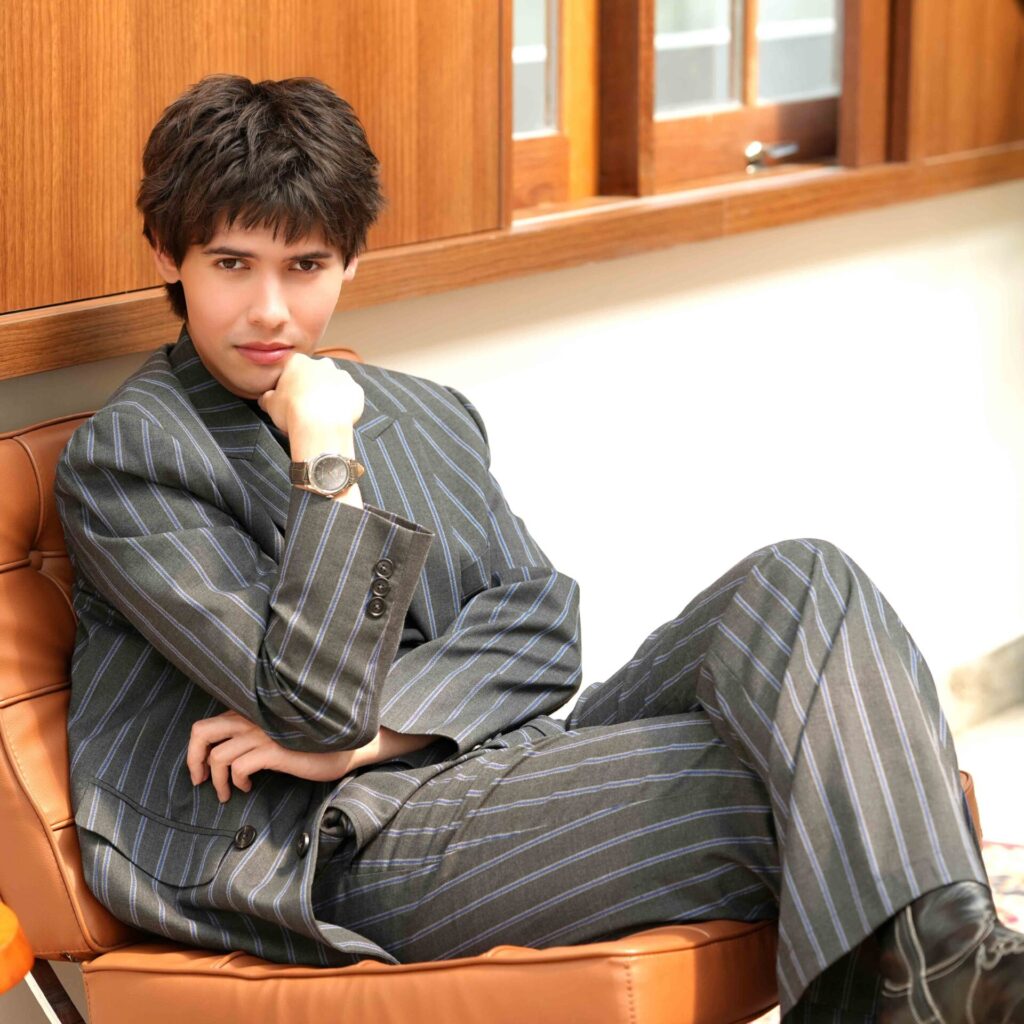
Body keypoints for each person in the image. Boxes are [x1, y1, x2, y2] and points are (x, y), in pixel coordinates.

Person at [55, 74, 1023, 1023]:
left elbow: (543, 626)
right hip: (328, 848)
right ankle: (941, 985)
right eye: (233, 264)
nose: (270, 309)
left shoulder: (423, 412)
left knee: (806, 576)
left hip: (492, 767)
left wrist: (379, 733)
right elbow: (311, 710)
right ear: (168, 254)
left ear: (349, 262)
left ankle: (943, 968)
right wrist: (325, 459)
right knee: (813, 773)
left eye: (304, 266)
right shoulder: (134, 458)